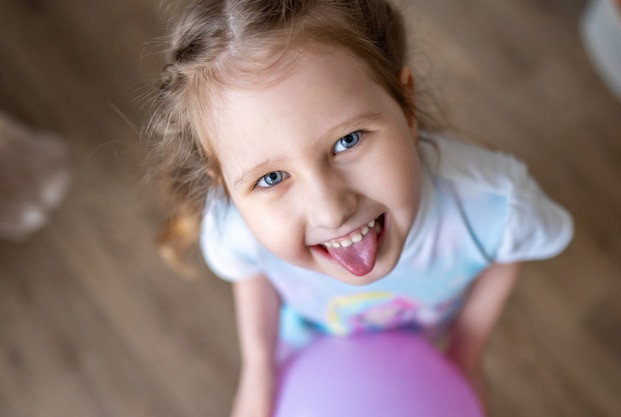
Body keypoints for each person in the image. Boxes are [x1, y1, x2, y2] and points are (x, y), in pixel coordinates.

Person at [146, 0, 574, 416]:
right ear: (225, 186)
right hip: (307, 353)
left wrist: (466, 351)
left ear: (406, 106)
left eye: (347, 141)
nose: (331, 211)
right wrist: (258, 370)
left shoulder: (496, 203)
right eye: (271, 178)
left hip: (421, 357)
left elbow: (511, 247)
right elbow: (250, 273)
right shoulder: (237, 224)